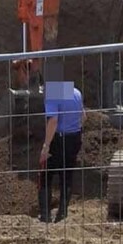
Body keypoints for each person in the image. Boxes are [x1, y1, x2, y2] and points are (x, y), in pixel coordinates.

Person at [39, 84, 85, 223]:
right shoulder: (76, 92)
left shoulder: (53, 94)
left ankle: (45, 216)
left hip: (58, 140)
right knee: (66, 176)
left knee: (45, 176)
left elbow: (53, 121)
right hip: (74, 138)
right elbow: (84, 116)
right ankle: (62, 214)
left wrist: (46, 146)